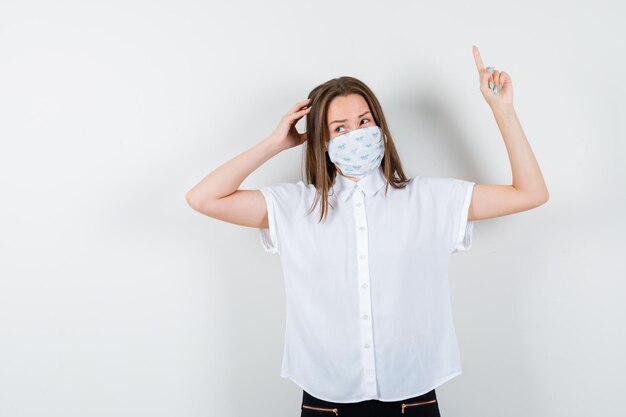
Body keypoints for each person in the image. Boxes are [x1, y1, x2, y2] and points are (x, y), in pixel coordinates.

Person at [186, 45, 549, 417]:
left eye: (364, 122)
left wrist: (503, 111)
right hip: (326, 402)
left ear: (381, 129)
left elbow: (530, 193)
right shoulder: (294, 207)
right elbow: (203, 198)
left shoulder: (430, 199)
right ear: (323, 143)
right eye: (339, 128)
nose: (355, 135)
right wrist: (274, 144)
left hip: (413, 399)